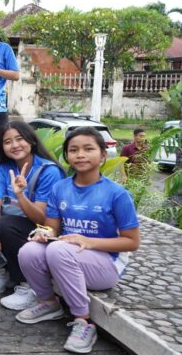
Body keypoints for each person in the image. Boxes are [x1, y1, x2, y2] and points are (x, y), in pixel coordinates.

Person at [17, 127, 140, 354]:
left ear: (103, 155)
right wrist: (43, 234)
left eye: (88, 149)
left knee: (59, 250)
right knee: (29, 251)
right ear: (67, 156)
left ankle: (83, 321)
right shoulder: (60, 188)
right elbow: (52, 228)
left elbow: (132, 242)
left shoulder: (117, 194)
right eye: (73, 150)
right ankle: (49, 303)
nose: (80, 154)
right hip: (68, 256)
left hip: (106, 263)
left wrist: (89, 242)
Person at [0, 121, 66, 310]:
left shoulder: (48, 171)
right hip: (16, 224)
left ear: (31, 140)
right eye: (7, 142)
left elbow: (41, 219)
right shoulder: (4, 168)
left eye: (19, 139)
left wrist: (20, 195)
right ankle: (4, 272)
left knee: (5, 225)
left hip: (44, 231)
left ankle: (29, 285)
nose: (14, 145)